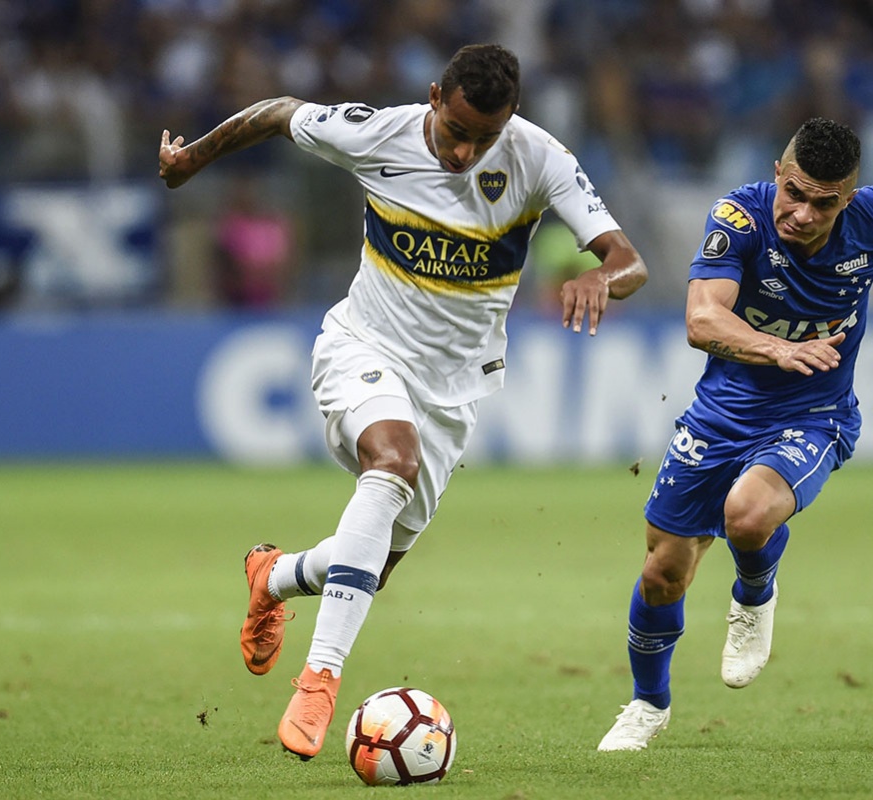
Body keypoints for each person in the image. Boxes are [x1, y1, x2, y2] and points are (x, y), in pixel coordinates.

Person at [158, 43, 647, 760]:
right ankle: (320, 677)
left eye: (485, 138)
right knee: (391, 463)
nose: (465, 153)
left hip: (454, 390)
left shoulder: (540, 157)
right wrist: (191, 159)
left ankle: (276, 575)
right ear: (434, 98)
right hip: (363, 347)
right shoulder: (376, 132)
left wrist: (601, 278)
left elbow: (628, 259)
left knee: (373, 564)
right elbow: (277, 113)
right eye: (456, 131)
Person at [596, 117, 873, 751]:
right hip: (721, 415)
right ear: (779, 174)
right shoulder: (740, 217)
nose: (804, 214)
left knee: (747, 515)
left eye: (825, 203)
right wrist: (776, 349)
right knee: (663, 572)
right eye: (795, 193)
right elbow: (702, 320)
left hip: (814, 414)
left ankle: (754, 595)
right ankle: (648, 705)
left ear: (849, 199)